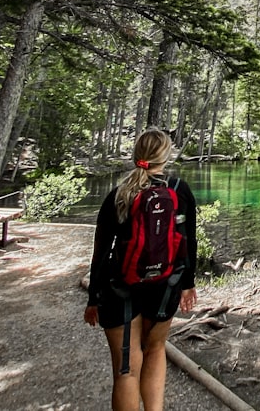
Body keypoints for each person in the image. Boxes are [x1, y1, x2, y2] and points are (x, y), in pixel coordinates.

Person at [84, 128, 198, 411]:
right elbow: (188, 241)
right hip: (164, 287)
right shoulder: (178, 190)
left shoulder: (118, 195)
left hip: (119, 286)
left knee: (126, 369)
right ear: (166, 156)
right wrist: (187, 283)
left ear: (137, 156)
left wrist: (93, 298)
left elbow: (101, 253)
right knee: (156, 349)